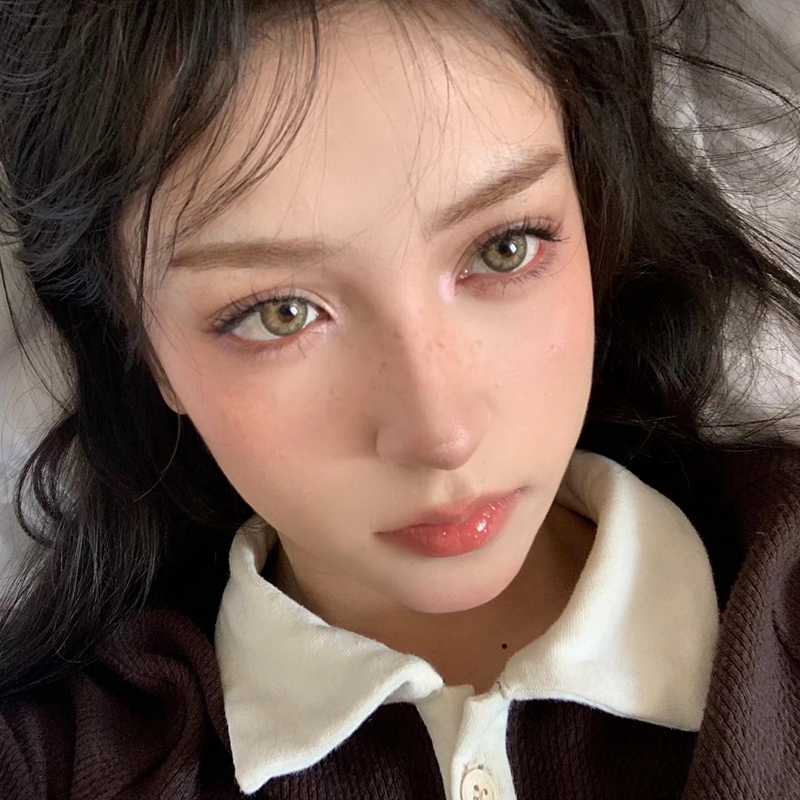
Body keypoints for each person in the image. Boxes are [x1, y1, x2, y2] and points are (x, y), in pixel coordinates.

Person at [0, 0, 799, 797]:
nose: (441, 434)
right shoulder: (52, 762)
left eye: (504, 248)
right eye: (280, 314)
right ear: (142, 346)